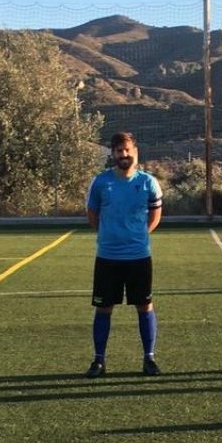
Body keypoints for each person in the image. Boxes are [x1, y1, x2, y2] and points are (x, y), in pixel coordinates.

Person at [84, 132, 163, 378]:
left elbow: (155, 215)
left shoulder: (149, 182)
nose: (124, 155)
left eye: (127, 150)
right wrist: (110, 235)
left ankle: (149, 358)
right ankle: (99, 360)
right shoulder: (100, 182)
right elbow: (93, 215)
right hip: (108, 256)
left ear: (135, 152)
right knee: (104, 307)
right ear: (113, 154)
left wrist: (138, 235)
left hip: (138, 255)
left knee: (144, 305)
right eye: (119, 151)